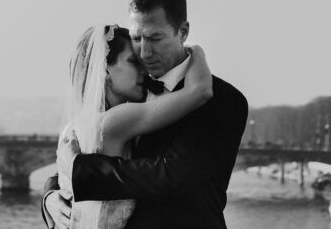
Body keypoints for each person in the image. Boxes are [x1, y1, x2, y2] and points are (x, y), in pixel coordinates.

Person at [43, 0, 249, 229]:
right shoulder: (128, 91)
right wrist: (51, 196)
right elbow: (83, 152)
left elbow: (175, 175)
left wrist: (82, 174)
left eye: (155, 38)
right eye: (137, 38)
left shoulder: (225, 101)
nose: (145, 52)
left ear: (183, 32)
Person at [56, 23, 213, 228]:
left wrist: (50, 198)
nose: (144, 70)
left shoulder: (72, 129)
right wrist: (196, 52)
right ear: (105, 70)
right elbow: (199, 91)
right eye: (133, 62)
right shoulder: (114, 122)